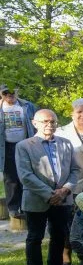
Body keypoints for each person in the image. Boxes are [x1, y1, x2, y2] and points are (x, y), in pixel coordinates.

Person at [16, 109, 81, 265]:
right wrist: (49, 194)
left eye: (53, 122)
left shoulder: (66, 144)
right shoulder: (24, 146)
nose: (49, 125)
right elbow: (25, 176)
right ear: (34, 123)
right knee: (35, 237)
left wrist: (65, 189)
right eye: (45, 121)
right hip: (36, 199)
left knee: (59, 235)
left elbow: (75, 170)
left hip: (63, 198)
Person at [0, 85, 37, 218]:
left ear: (17, 92)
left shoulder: (27, 106)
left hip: (25, 145)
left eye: (12, 92)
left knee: (26, 175)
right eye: (5, 92)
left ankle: (26, 206)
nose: (9, 95)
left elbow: (36, 124)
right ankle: (13, 209)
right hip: (6, 146)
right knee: (10, 178)